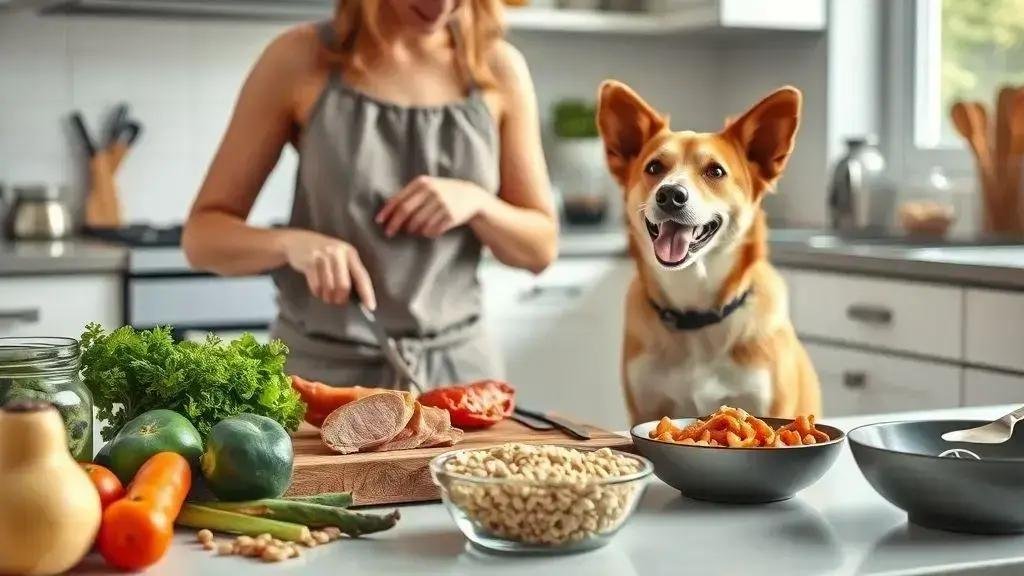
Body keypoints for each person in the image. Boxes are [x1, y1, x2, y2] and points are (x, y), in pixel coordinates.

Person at [183, 0, 557, 388]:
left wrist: (479, 204)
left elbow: (540, 249)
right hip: (322, 380)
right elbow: (202, 237)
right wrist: (291, 244)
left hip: (460, 378)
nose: (444, 5)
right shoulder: (298, 58)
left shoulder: (498, 67)